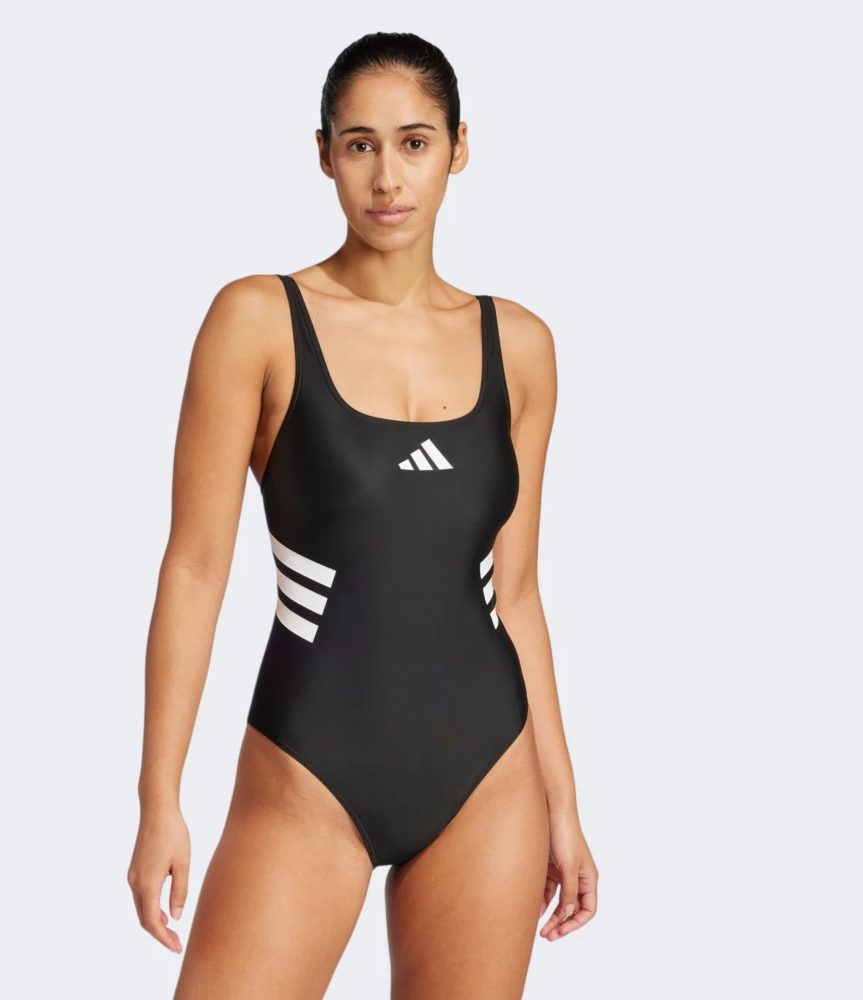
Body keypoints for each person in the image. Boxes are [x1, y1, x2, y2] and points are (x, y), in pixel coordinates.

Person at [127, 30, 598, 999]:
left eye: (414, 143)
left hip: (487, 771)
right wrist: (157, 796)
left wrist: (564, 801)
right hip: (308, 769)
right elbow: (195, 568)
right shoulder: (257, 319)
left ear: (458, 148)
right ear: (324, 154)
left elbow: (516, 590)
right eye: (360, 145)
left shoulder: (520, 346)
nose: (388, 177)